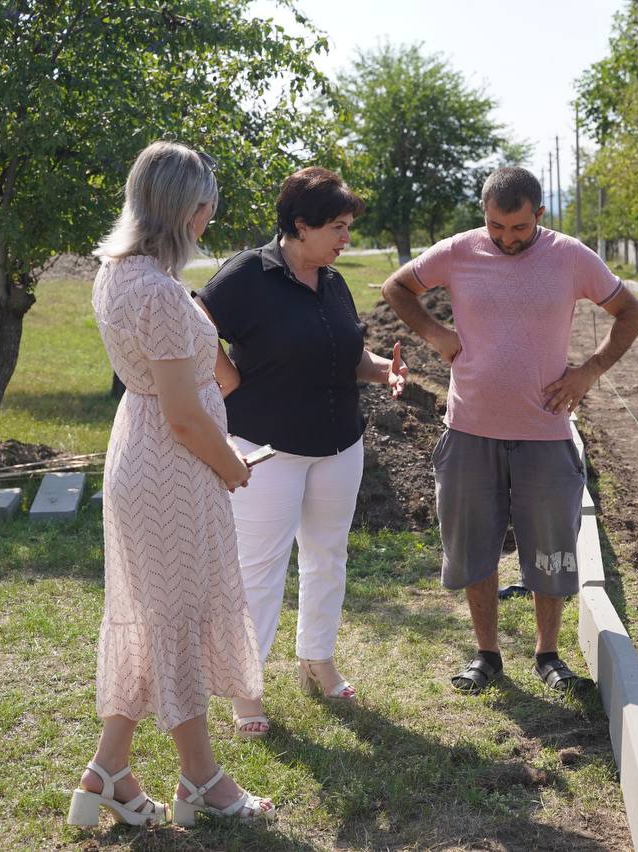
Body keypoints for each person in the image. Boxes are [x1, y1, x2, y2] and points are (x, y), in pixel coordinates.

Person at [381, 166, 638, 694]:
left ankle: (548, 655)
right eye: (497, 226)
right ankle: (487, 654)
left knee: (549, 549)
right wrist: (436, 334)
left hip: (545, 433)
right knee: (474, 546)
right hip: (469, 430)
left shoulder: (571, 257)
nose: (506, 238)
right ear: (484, 215)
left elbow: (630, 314)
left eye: (519, 228)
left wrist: (588, 371)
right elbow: (398, 288)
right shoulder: (458, 251)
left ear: (539, 216)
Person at [70, 140, 272, 828]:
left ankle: (109, 772)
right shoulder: (156, 289)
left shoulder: (118, 274)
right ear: (191, 210)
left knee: (157, 618)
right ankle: (203, 782)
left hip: (141, 451)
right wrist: (233, 465)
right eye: (207, 207)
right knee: (176, 618)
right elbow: (186, 415)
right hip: (169, 468)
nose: (209, 220)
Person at [196, 166, 407, 736]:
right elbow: (194, 324)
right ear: (299, 225)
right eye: (337, 228)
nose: (346, 239)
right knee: (259, 569)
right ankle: (247, 688)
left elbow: (347, 356)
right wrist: (228, 379)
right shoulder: (247, 274)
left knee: (327, 555)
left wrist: (383, 370)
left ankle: (318, 659)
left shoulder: (333, 282)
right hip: (267, 446)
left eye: (347, 228)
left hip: (340, 442)